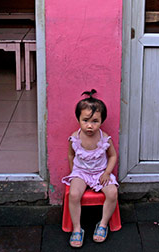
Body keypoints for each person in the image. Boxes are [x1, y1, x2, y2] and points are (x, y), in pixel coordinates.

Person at [62, 89, 118, 248]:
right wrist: (74, 172)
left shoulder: (104, 138)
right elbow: (71, 155)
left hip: (100, 173)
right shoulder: (75, 138)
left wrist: (107, 173)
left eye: (95, 121)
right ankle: (77, 228)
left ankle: (103, 223)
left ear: (101, 121)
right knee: (73, 194)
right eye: (85, 120)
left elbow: (113, 156)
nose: (89, 125)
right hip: (81, 173)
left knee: (113, 192)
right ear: (78, 119)